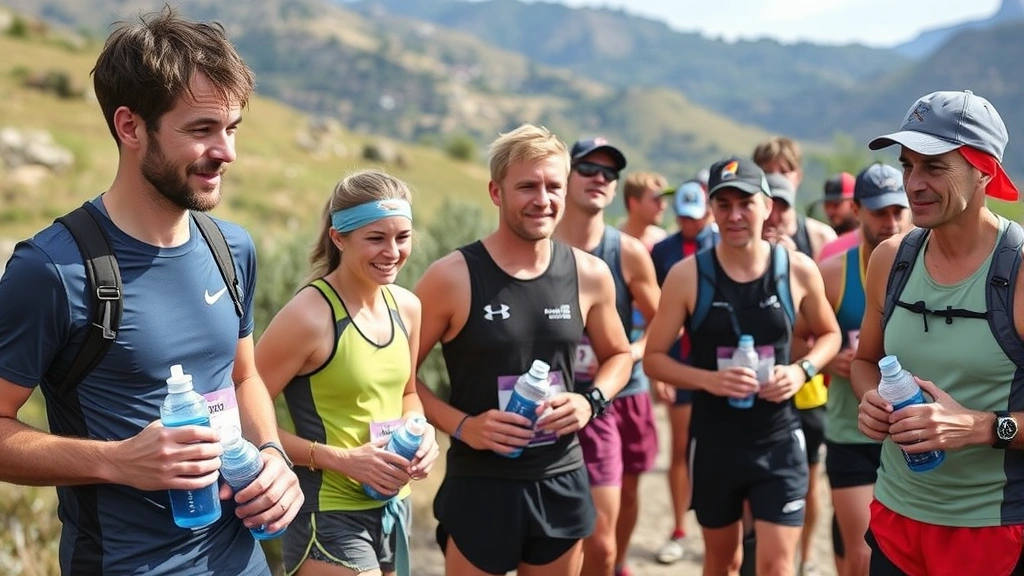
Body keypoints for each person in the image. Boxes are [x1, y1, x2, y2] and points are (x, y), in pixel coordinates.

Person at [0, 8, 302, 574]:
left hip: (244, 561)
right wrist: (117, 461)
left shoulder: (230, 248)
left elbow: (243, 375)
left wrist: (271, 455)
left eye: (231, 128)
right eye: (201, 130)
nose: (227, 152)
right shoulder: (51, 270)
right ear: (130, 127)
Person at [413, 124, 634, 575]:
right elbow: (398, 375)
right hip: (480, 481)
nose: (543, 199)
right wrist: (464, 426)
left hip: (560, 476)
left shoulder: (590, 274)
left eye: (554, 186)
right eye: (527, 186)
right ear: (496, 192)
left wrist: (591, 401)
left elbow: (620, 355)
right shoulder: (451, 276)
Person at [645, 157, 841, 576]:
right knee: (723, 561)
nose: (734, 215)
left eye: (745, 203)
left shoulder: (796, 269)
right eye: (724, 204)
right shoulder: (687, 276)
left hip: (779, 439)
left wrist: (801, 370)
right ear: (712, 209)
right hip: (715, 442)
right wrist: (709, 380)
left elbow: (830, 335)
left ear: (767, 205)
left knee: (776, 565)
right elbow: (654, 359)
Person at [855, 90, 1024, 575]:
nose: (913, 184)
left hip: (992, 531)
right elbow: (867, 361)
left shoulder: (1017, 271)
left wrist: (979, 427)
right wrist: (872, 401)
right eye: (908, 166)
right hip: (895, 519)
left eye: (934, 167)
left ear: (984, 169)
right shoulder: (891, 258)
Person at [253, 170, 441, 576]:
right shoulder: (308, 315)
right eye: (376, 238)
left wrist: (420, 431)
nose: (392, 251)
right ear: (339, 238)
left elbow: (408, 393)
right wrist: (341, 460)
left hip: (394, 503)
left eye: (402, 237)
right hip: (329, 513)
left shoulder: (407, 306)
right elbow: (241, 412)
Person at [555, 138, 661, 576]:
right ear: (565, 177)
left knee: (619, 508)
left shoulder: (627, 252)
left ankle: (616, 563)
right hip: (555, 399)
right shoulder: (537, 244)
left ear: (616, 189)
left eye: (609, 173)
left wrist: (632, 353)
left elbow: (662, 321)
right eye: (588, 169)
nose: (599, 178)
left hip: (618, 395)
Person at [817, 163, 910, 576]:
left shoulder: (932, 268)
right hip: (851, 431)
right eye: (879, 212)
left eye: (897, 210)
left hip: (913, 436)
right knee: (862, 556)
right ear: (856, 210)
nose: (890, 222)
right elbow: (801, 336)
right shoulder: (835, 273)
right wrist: (830, 354)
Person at [648, 178, 719, 565]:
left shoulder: (724, 245)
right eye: (683, 217)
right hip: (677, 362)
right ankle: (678, 527)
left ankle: (716, 528)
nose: (689, 223)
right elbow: (654, 313)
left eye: (696, 216)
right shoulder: (662, 250)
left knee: (716, 448)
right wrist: (659, 371)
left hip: (716, 364)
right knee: (679, 448)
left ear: (708, 211)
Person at [764, 173, 830, 576]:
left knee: (808, 478)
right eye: (768, 204)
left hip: (806, 389)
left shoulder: (814, 245)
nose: (774, 214)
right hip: (754, 391)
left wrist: (792, 271)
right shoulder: (733, 252)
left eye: (782, 205)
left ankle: (804, 557)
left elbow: (824, 326)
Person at [754, 137, 837, 260]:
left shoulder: (821, 238)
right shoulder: (741, 235)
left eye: (783, 171)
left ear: (798, 177)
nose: (775, 179)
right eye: (767, 172)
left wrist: (796, 260)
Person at [619, 171, 669, 250]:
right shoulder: (615, 243)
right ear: (633, 203)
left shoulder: (662, 240)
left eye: (663, 200)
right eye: (656, 200)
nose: (663, 206)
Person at [817, 173, 862, 263]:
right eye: (827, 205)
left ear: (853, 204)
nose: (830, 211)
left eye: (836, 204)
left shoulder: (871, 240)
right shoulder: (823, 242)